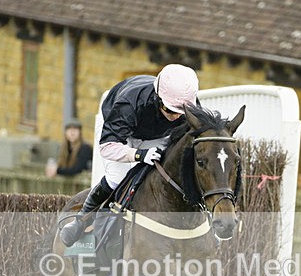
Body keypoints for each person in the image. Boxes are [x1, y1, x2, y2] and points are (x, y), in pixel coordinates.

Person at [59, 63, 199, 246]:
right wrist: (138, 154)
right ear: (158, 98)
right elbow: (108, 146)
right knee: (117, 177)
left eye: (180, 112)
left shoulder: (190, 105)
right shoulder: (128, 104)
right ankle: (80, 222)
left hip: (154, 134)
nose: (175, 117)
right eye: (170, 110)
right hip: (118, 131)